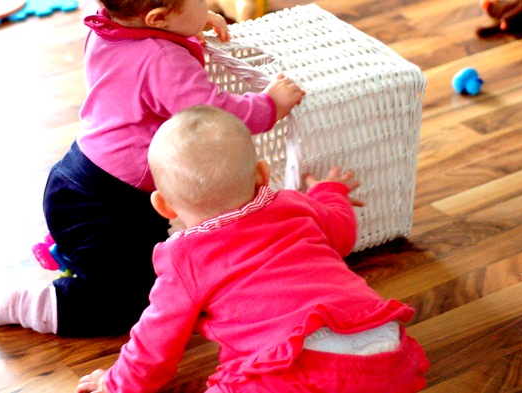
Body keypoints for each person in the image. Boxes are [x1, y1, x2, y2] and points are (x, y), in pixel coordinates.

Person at [0, 0, 304, 337]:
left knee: (153, 269)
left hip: (83, 179)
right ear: (158, 18)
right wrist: (269, 104)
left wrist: (189, 20)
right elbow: (215, 114)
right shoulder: (162, 60)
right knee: (130, 304)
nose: (208, 4)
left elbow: (112, 2)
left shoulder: (104, 16)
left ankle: (78, 256)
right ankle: (32, 302)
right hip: (106, 204)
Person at [76, 106, 429, 393]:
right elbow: (342, 233)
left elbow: (156, 340)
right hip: (383, 347)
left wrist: (116, 383)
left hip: (297, 365)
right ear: (262, 174)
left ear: (163, 206)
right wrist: (330, 192)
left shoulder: (184, 258)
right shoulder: (292, 204)